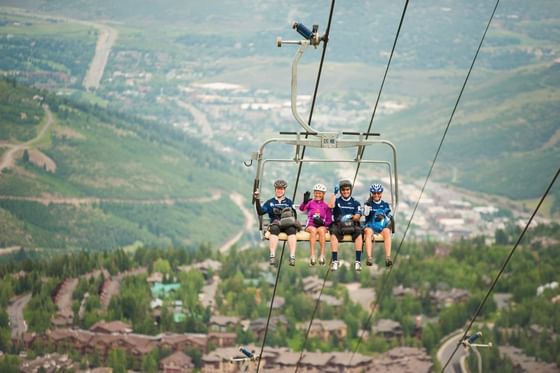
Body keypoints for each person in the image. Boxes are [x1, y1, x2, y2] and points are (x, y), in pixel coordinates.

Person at [254, 179, 299, 266]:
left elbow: (294, 214)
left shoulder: (288, 202)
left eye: (281, 189)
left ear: (284, 190)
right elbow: (260, 212)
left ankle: (292, 256)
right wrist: (257, 199)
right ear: (275, 190)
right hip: (276, 223)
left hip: (287, 223)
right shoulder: (270, 202)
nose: (279, 191)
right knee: (274, 229)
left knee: (292, 230)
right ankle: (272, 255)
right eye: (278, 189)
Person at [328, 179, 363, 271]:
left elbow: (358, 215)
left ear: (350, 190)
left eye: (347, 190)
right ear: (340, 191)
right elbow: (330, 206)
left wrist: (351, 217)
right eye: (343, 190)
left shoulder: (356, 202)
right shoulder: (337, 200)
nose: (345, 192)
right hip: (339, 224)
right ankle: (335, 261)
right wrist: (334, 194)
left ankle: (358, 261)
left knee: (359, 233)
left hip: (351, 223)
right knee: (333, 234)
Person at [299, 183, 332, 266]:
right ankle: (312, 255)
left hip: (321, 225)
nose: (317, 195)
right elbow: (302, 209)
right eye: (316, 193)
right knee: (313, 230)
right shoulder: (311, 202)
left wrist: (323, 223)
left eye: (320, 193)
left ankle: (322, 255)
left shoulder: (326, 206)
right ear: (314, 193)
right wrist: (305, 201)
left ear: (323, 194)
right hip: (311, 225)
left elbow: (329, 220)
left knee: (321, 230)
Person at [363, 183, 393, 267]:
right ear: (371, 193)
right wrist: (368, 204)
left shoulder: (385, 205)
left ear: (381, 193)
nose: (376, 195)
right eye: (374, 193)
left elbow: (388, 217)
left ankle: (388, 257)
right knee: (368, 232)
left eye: (378, 193)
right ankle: (369, 257)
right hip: (371, 226)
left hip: (381, 226)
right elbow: (365, 214)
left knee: (387, 231)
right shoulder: (368, 204)